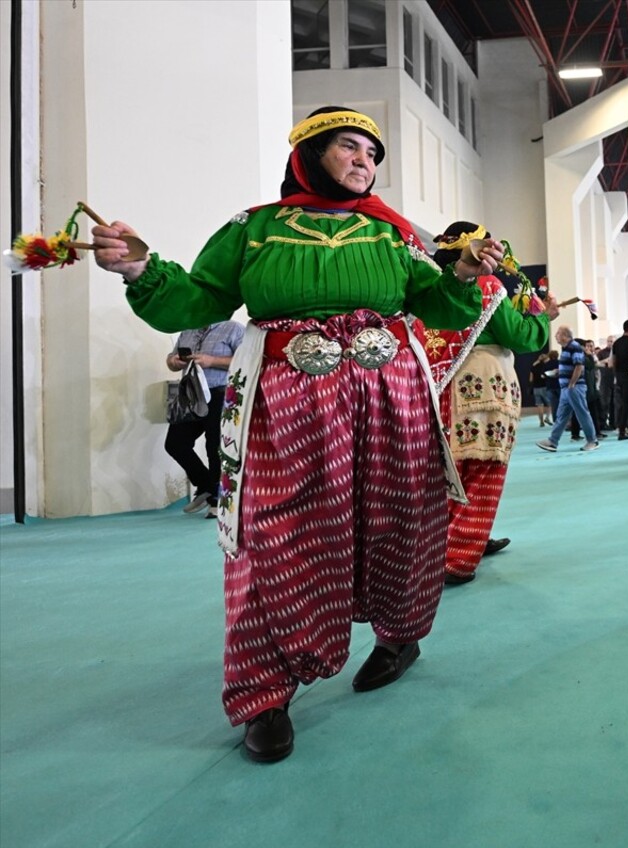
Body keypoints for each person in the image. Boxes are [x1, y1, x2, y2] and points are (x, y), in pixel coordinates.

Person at [91, 106, 502, 764]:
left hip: (390, 393)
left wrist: (458, 274)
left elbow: (439, 305)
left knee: (404, 517)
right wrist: (141, 268)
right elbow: (195, 300)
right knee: (276, 532)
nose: (365, 160)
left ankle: (399, 635)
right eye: (350, 146)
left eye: (373, 152)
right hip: (287, 402)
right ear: (308, 154)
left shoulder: (392, 235)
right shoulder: (252, 229)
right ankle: (264, 692)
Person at [425, 223, 557, 586]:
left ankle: (453, 543)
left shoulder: (432, 289)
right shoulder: (486, 286)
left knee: (451, 472)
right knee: (483, 470)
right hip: (483, 383)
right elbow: (521, 336)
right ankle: (459, 556)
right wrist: (543, 316)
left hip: (439, 386)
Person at [165, 321, 244, 516]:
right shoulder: (188, 329)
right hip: (192, 395)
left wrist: (212, 361)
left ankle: (217, 499)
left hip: (220, 393)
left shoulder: (234, 329)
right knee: (175, 443)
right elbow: (170, 361)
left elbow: (247, 361)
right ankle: (206, 485)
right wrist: (175, 361)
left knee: (215, 446)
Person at [536, 327, 599, 452]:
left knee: (582, 413)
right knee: (562, 415)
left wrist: (572, 384)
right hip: (567, 388)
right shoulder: (566, 348)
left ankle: (592, 440)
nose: (555, 336)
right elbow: (572, 366)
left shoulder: (574, 346)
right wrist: (559, 372)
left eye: (558, 333)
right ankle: (553, 441)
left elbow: (579, 366)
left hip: (574, 387)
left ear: (565, 335)